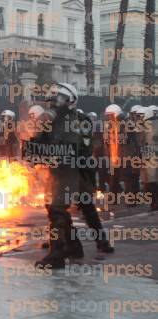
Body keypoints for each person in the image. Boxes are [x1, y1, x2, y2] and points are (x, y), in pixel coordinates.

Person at [30, 83, 83, 268]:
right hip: (56, 170)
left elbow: (67, 148)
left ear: (69, 101)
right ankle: (74, 247)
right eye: (53, 97)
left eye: (58, 97)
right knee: (56, 209)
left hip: (67, 171)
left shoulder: (72, 121)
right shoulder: (57, 119)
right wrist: (35, 143)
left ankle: (57, 255)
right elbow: (44, 140)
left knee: (57, 210)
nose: (54, 101)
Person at [74, 109, 115, 254]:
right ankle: (62, 242)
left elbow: (83, 147)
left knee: (87, 208)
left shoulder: (79, 120)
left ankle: (101, 241)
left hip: (78, 170)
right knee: (57, 209)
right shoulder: (58, 120)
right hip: (67, 171)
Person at [141, 107, 158, 211]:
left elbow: (143, 142)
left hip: (149, 155)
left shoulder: (147, 126)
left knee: (151, 182)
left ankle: (154, 203)